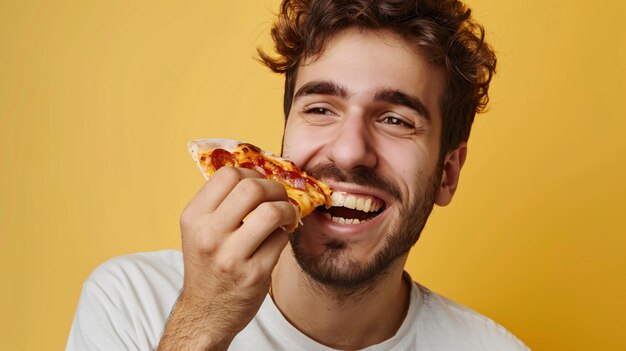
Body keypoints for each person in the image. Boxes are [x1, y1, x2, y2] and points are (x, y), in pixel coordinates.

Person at [67, 0, 530, 350]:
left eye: (395, 119)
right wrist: (204, 320)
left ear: (447, 173)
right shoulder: (131, 302)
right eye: (321, 108)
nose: (349, 151)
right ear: (282, 145)